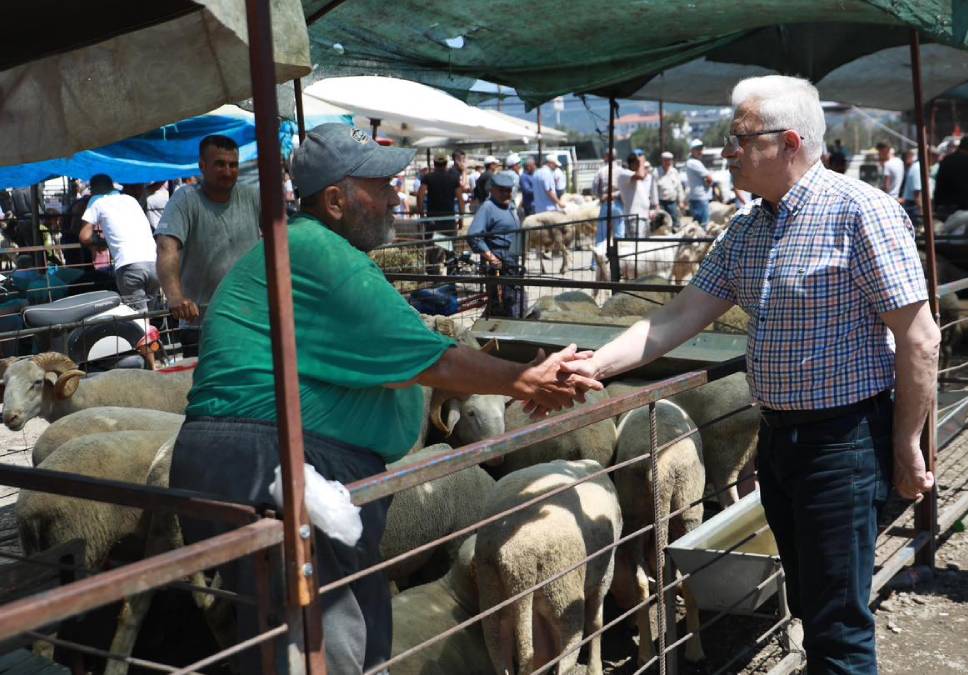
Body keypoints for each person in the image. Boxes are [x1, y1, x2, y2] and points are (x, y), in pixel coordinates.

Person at [170, 123, 601, 675]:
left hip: (243, 457)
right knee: (331, 640)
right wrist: (524, 378)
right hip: (274, 462)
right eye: (380, 184)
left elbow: (399, 360)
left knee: (301, 632)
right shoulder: (323, 254)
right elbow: (431, 356)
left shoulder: (290, 248)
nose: (396, 195)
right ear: (335, 200)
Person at [559, 76, 938, 673]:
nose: (725, 151)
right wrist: (593, 365)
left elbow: (919, 338)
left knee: (839, 624)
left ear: (788, 143)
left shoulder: (860, 212)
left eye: (738, 138)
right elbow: (680, 315)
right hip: (780, 438)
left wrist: (907, 445)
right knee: (814, 609)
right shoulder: (749, 226)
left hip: (843, 442)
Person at [155, 134, 261, 325]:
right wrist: (176, 297)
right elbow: (166, 247)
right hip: (201, 323)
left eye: (233, 165)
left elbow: (281, 236)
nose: (228, 171)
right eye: (220, 164)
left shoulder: (251, 196)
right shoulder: (185, 199)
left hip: (249, 318)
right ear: (202, 166)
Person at [79, 174, 160, 311]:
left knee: (140, 319)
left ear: (93, 189)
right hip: (155, 263)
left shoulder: (97, 200)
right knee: (153, 315)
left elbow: (84, 236)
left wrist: (100, 242)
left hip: (129, 265)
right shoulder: (130, 199)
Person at [467, 170, 525, 317]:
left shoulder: (511, 206)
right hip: (499, 263)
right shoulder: (488, 207)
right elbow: (474, 235)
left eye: (509, 190)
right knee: (502, 302)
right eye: (502, 191)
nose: (506, 194)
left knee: (513, 300)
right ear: (492, 190)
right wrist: (490, 257)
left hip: (513, 262)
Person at [618, 153, 655, 237]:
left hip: (643, 216)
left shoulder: (634, 177)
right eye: (638, 164)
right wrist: (642, 160)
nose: (640, 167)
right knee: (637, 246)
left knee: (644, 247)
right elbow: (641, 175)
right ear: (632, 164)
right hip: (634, 218)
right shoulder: (624, 174)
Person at [593, 150, 626, 244]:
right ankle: (620, 257)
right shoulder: (621, 171)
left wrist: (603, 196)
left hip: (605, 204)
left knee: (601, 235)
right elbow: (625, 189)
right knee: (619, 234)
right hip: (618, 204)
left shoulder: (601, 171)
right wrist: (614, 194)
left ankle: (598, 258)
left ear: (607, 156)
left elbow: (594, 190)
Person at [685, 139, 713, 224]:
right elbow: (709, 178)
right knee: (703, 225)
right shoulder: (694, 162)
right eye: (697, 149)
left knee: (698, 225)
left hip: (696, 197)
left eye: (701, 149)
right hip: (700, 197)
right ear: (691, 150)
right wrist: (708, 185)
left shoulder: (691, 162)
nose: (700, 151)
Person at [655, 151, 684, 224]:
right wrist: (656, 204)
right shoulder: (656, 172)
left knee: (675, 222)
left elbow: (679, 187)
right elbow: (653, 190)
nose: (668, 162)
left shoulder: (674, 172)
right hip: (661, 202)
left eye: (669, 160)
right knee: (661, 223)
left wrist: (681, 201)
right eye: (665, 160)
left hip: (672, 202)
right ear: (662, 161)